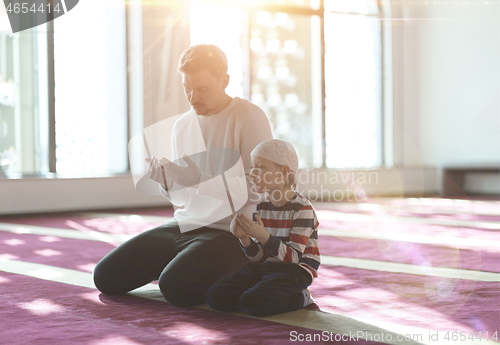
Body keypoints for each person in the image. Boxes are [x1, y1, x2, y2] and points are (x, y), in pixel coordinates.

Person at [93, 44, 273, 307]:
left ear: (224, 81)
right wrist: (168, 181)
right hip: (185, 225)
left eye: (202, 89)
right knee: (106, 277)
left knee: (176, 289)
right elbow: (183, 198)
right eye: (187, 88)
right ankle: (188, 262)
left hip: (234, 232)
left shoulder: (247, 116)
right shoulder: (183, 125)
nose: (192, 97)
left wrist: (197, 179)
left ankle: (246, 268)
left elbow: (259, 188)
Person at [205, 139, 320, 317]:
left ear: (283, 172)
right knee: (216, 296)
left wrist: (264, 236)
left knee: (254, 303)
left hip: (295, 270)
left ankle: (302, 297)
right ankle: (261, 289)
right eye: (252, 167)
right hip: (269, 266)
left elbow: (293, 258)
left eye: (260, 167)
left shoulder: (302, 209)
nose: (252, 173)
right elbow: (260, 258)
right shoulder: (262, 206)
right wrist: (243, 238)